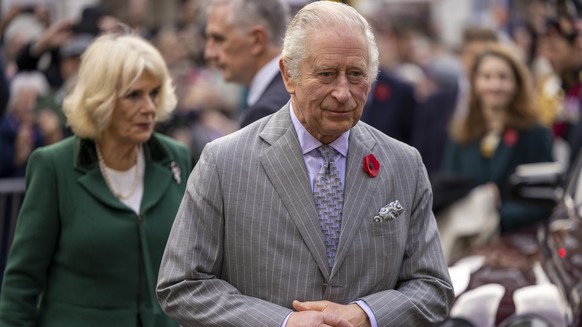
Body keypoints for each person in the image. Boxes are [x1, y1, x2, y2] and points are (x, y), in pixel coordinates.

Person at [157, 2, 454, 327]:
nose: (343, 92)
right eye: (327, 74)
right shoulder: (223, 162)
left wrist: (366, 315)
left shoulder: (403, 164)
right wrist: (282, 323)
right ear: (288, 75)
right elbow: (182, 285)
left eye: (356, 74)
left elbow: (433, 288)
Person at [0, 32, 192, 327]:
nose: (149, 108)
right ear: (101, 99)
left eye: (154, 93)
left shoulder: (174, 158)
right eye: (133, 95)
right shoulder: (54, 165)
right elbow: (21, 283)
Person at [442, 44, 554, 234]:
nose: (495, 86)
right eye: (487, 77)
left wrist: (496, 215)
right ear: (475, 83)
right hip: (466, 241)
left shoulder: (534, 133)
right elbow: (448, 186)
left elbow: (545, 200)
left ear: (517, 83)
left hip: (516, 243)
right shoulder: (462, 132)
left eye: (503, 77)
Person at [204, 0, 291, 128]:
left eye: (219, 39)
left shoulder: (267, 112)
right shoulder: (288, 93)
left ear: (257, 40)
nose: (209, 53)